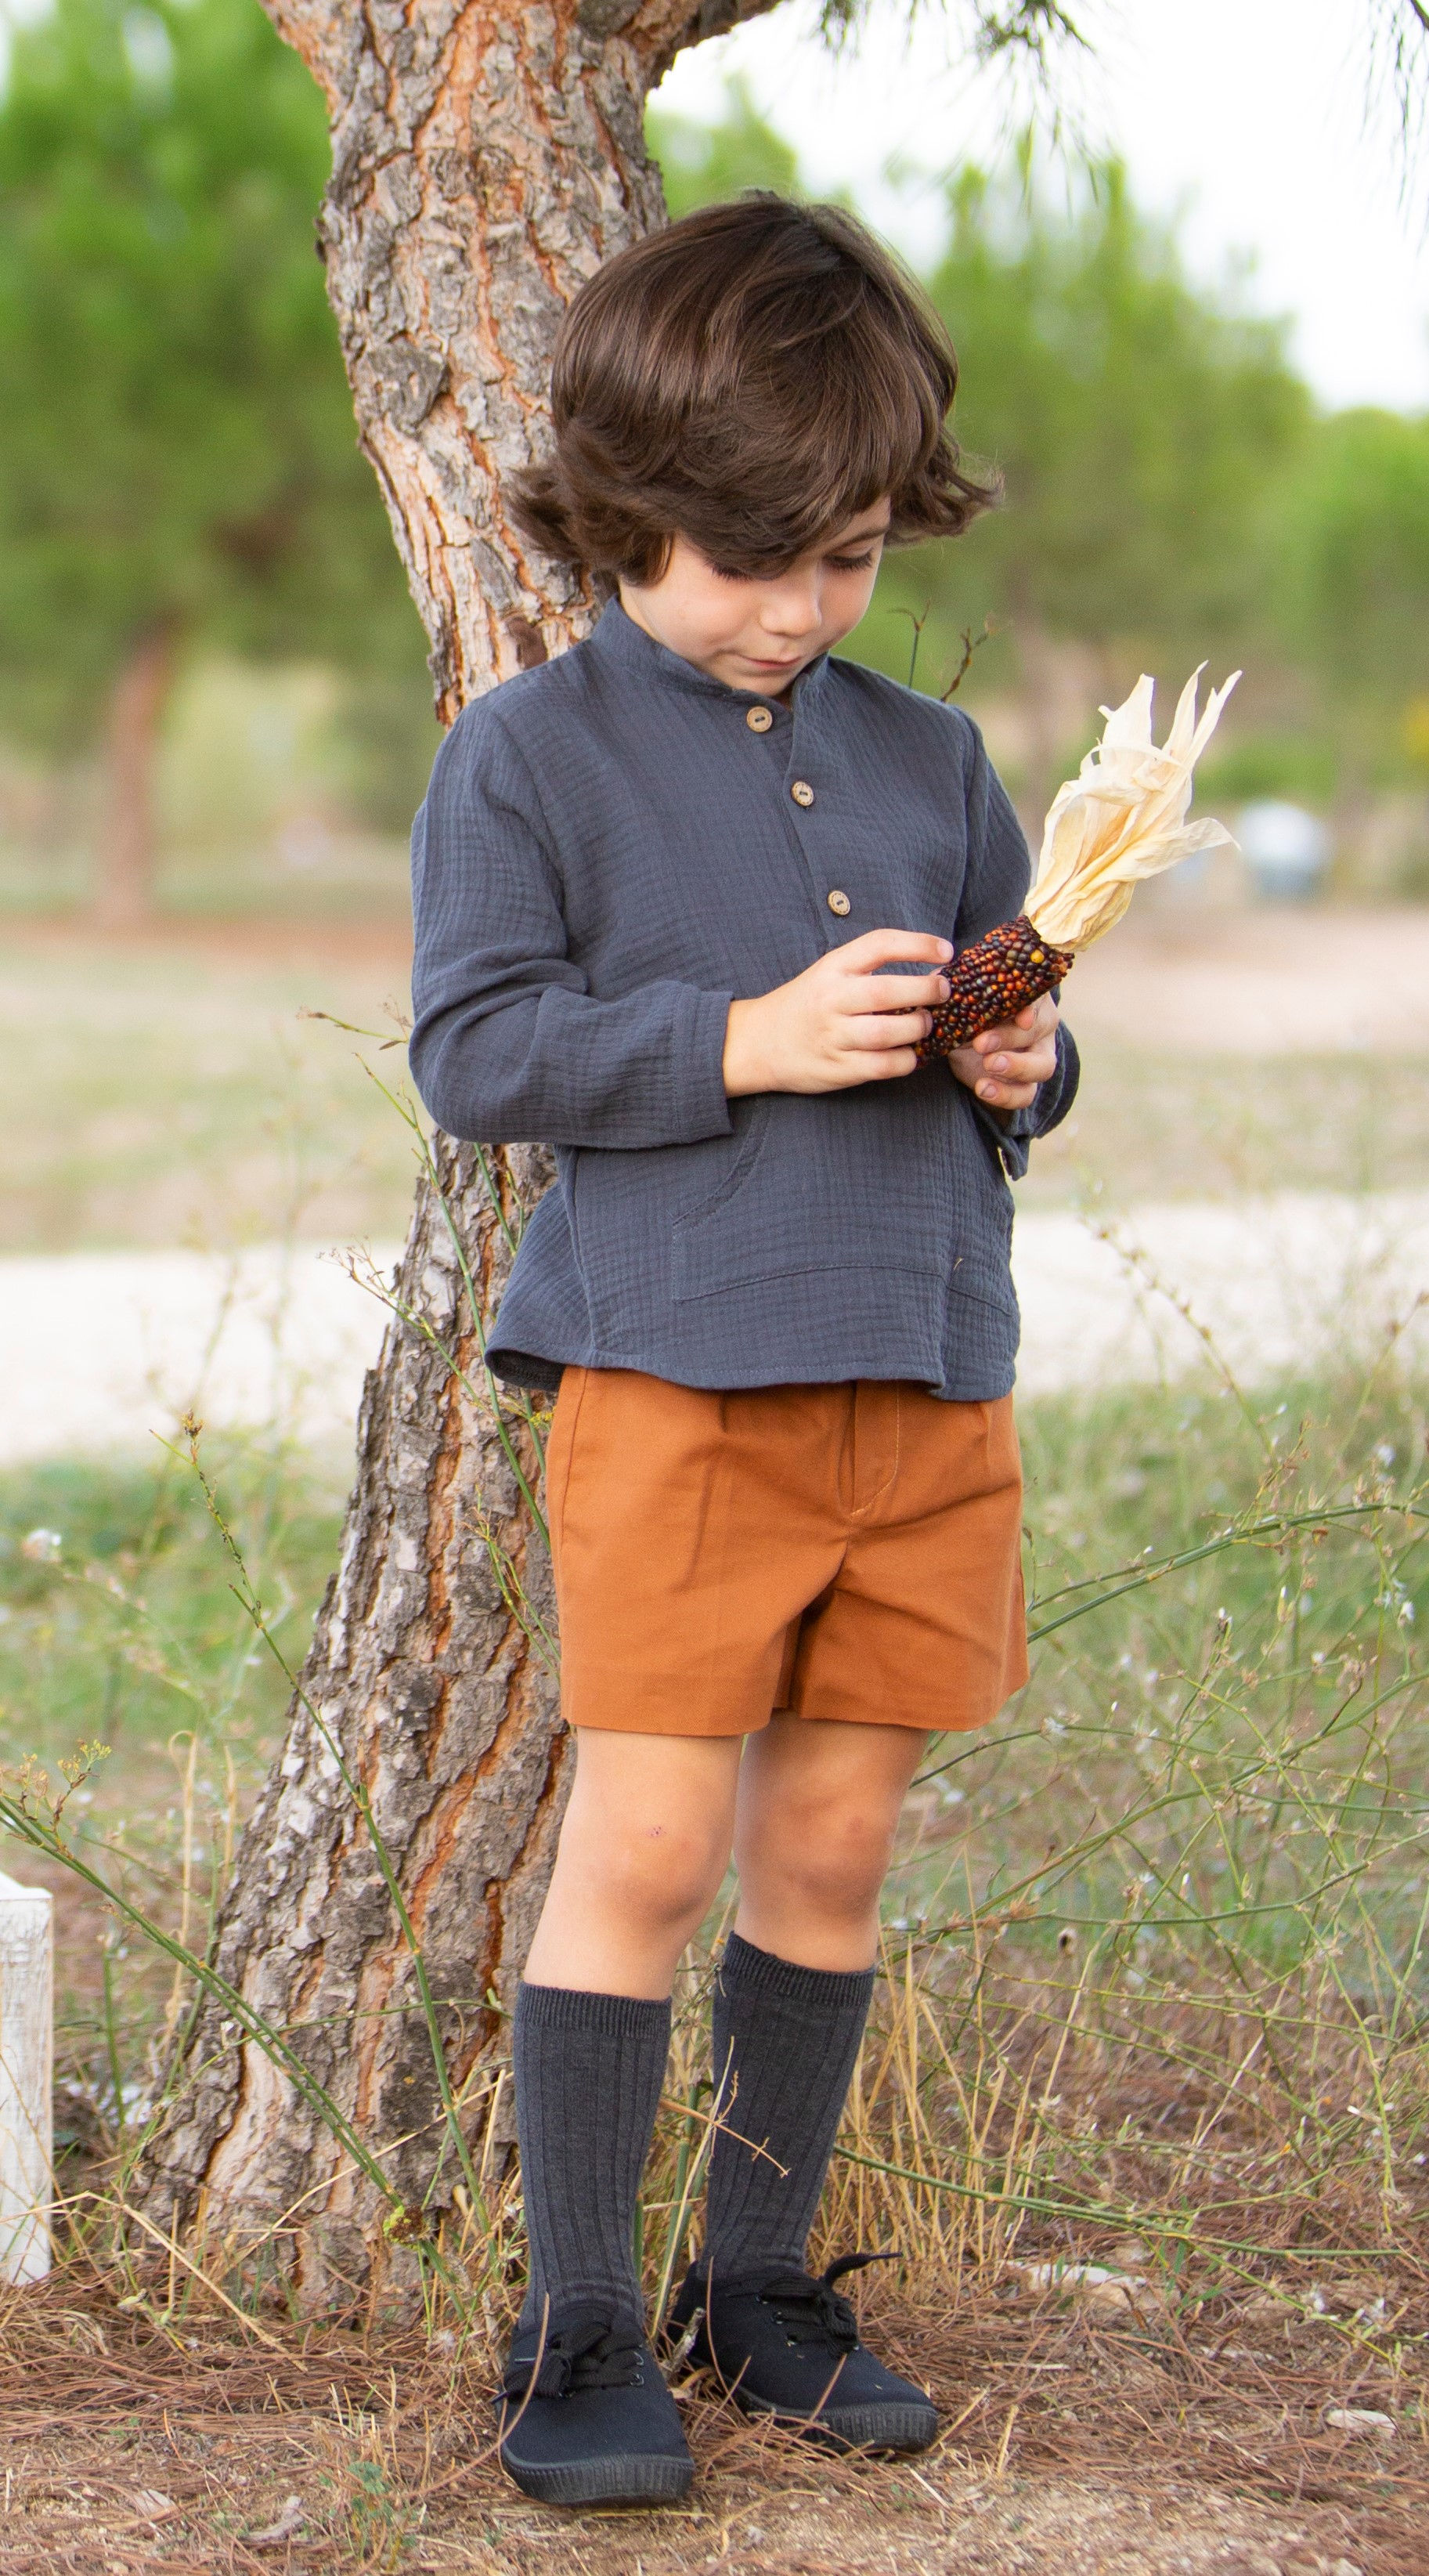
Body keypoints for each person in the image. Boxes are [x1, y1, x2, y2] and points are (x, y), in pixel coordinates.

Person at [408, 193, 1077, 2509]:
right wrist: (750, 1039)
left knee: (836, 1839)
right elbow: (478, 1052)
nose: (798, 603)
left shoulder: (933, 753)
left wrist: (1020, 1069)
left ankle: (760, 2276)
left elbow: (1023, 1023)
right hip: (679, 1386)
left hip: (923, 1373)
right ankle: (580, 2315)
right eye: (746, 553)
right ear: (618, 506)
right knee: (659, 1828)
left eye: (852, 554)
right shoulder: (531, 753)